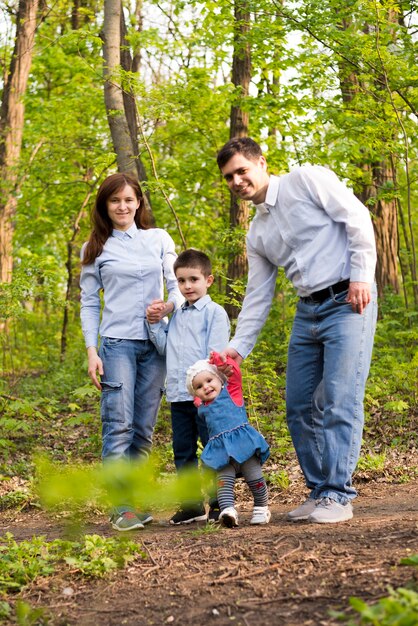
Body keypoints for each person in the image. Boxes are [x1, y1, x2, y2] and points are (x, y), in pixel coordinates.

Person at [216, 137, 378, 524]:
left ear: (261, 162)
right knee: (299, 406)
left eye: (242, 170)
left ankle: (339, 495)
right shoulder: (256, 233)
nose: (237, 181)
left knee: (341, 398)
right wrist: (238, 347)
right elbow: (257, 295)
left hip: (348, 301)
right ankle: (320, 490)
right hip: (307, 313)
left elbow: (357, 220)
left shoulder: (306, 180)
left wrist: (361, 277)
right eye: (229, 177)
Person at [80, 172, 183, 532]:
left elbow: (177, 284)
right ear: (105, 206)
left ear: (138, 202)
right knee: (118, 426)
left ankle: (134, 503)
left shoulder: (158, 239)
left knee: (142, 429)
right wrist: (92, 350)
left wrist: (169, 306)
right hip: (116, 345)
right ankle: (119, 508)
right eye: (114, 200)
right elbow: (89, 304)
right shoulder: (96, 248)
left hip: (156, 345)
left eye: (128, 199)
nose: (122, 206)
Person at [146, 249, 230, 524]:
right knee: (183, 451)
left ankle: (221, 502)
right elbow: (164, 348)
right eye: (181, 281)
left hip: (206, 397)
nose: (187, 286)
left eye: (193, 279)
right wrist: (155, 324)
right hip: (179, 396)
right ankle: (192, 505)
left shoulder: (214, 314)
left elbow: (214, 357)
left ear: (209, 280)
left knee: (212, 449)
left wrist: (204, 389)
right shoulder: (178, 315)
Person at [186, 352, 270, 527]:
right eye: (199, 386)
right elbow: (200, 402)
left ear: (219, 379)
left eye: (209, 380)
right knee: (223, 483)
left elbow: (235, 374)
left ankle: (262, 508)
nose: (206, 387)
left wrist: (222, 362)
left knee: (255, 479)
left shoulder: (232, 392)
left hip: (244, 446)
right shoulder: (202, 408)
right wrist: (197, 398)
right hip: (221, 453)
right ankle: (228, 511)